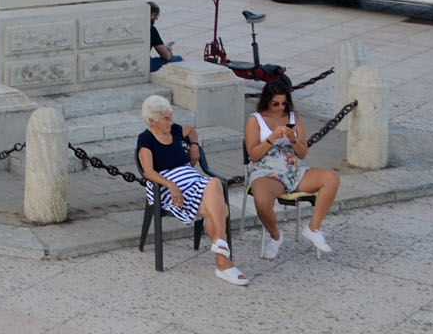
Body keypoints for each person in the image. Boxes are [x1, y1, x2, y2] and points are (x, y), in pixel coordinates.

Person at [135, 95, 245, 284]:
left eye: (171, 116)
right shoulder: (146, 139)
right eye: (166, 118)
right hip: (168, 189)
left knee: (214, 184)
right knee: (220, 208)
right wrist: (171, 186)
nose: (171, 121)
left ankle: (220, 250)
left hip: (193, 182)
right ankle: (223, 262)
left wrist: (194, 145)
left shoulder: (176, 130)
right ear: (152, 120)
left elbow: (192, 131)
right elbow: (149, 172)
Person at [245, 78, 339, 258]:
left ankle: (313, 228)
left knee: (331, 178)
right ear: (267, 101)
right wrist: (272, 138)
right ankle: (275, 236)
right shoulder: (255, 120)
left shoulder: (295, 118)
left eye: (283, 103)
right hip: (267, 168)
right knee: (262, 202)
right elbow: (254, 155)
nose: (281, 107)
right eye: (275, 104)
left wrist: (293, 139)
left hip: (293, 168)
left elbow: (303, 153)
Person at [148, 2, 182, 73]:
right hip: (145, 65)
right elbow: (167, 56)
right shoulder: (151, 29)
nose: (156, 20)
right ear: (153, 15)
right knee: (179, 59)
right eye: (156, 17)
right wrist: (169, 50)